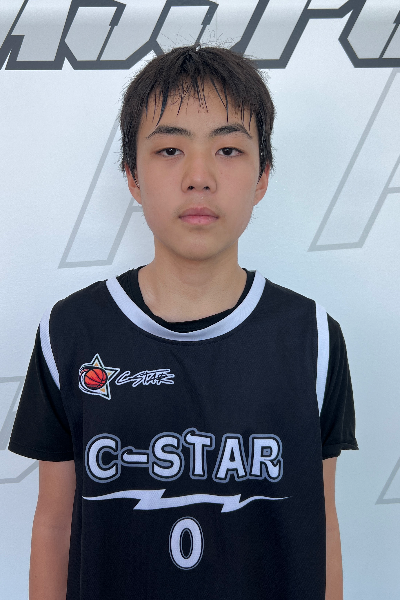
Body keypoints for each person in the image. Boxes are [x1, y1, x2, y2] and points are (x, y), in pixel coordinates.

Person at [9, 44, 358, 600]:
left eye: (228, 149)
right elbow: (54, 525)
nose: (199, 177)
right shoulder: (71, 331)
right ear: (132, 175)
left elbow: (323, 526)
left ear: (263, 176)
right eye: (170, 149)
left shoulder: (312, 336)